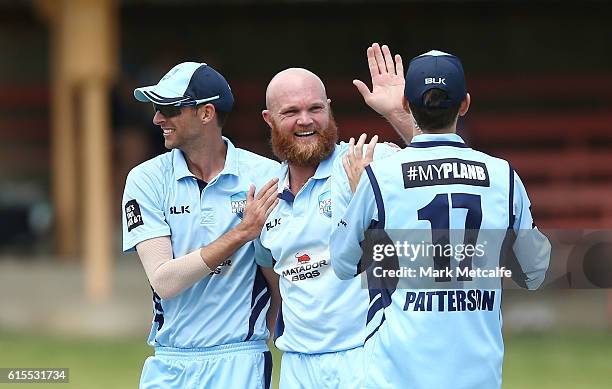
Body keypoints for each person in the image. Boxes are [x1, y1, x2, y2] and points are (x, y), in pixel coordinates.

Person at [330, 50, 551, 388]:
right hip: (478, 376)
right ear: (464, 104)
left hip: (396, 375)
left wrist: (369, 212)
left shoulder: (379, 179)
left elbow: (344, 265)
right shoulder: (503, 176)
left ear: (405, 103)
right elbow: (534, 272)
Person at [121, 62, 281, 389]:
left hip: (240, 359)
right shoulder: (145, 180)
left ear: (206, 113)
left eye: (169, 108)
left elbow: (280, 278)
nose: (157, 118)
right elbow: (164, 281)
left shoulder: (268, 176)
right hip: (169, 360)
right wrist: (241, 234)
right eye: (156, 108)